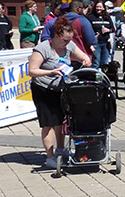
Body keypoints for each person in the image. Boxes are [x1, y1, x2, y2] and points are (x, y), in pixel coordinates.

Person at [28, 16, 92, 168]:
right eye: (65, 40)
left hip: (61, 89)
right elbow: (32, 71)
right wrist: (51, 72)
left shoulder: (69, 46)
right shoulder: (43, 48)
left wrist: (85, 60)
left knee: (60, 121)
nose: (67, 42)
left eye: (69, 39)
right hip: (43, 90)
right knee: (48, 123)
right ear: (57, 35)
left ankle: (61, 150)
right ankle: (50, 157)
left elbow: (83, 55)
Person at [87, 1, 116, 69]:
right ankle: (94, 78)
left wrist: (108, 30)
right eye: (97, 7)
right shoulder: (91, 17)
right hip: (96, 43)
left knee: (105, 63)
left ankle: (103, 78)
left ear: (103, 8)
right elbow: (87, 29)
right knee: (96, 63)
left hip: (106, 43)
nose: (98, 8)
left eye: (100, 7)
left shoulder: (107, 17)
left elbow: (113, 29)